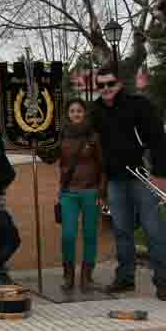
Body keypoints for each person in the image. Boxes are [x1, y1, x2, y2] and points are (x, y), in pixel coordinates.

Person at [91, 64, 166, 299]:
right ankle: (125, 278)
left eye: (110, 84)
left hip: (142, 177)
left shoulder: (139, 105)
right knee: (122, 231)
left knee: (153, 230)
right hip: (116, 180)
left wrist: (158, 174)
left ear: (119, 84)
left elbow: (158, 139)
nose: (105, 89)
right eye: (101, 85)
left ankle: (163, 281)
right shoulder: (96, 110)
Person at [57, 99, 106, 292]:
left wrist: (101, 191)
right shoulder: (61, 136)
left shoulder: (93, 137)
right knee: (68, 235)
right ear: (67, 114)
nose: (76, 114)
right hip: (69, 192)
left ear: (85, 113)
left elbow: (103, 167)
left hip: (91, 191)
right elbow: (52, 158)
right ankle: (68, 275)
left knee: (89, 234)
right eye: (72, 111)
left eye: (79, 111)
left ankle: (87, 276)